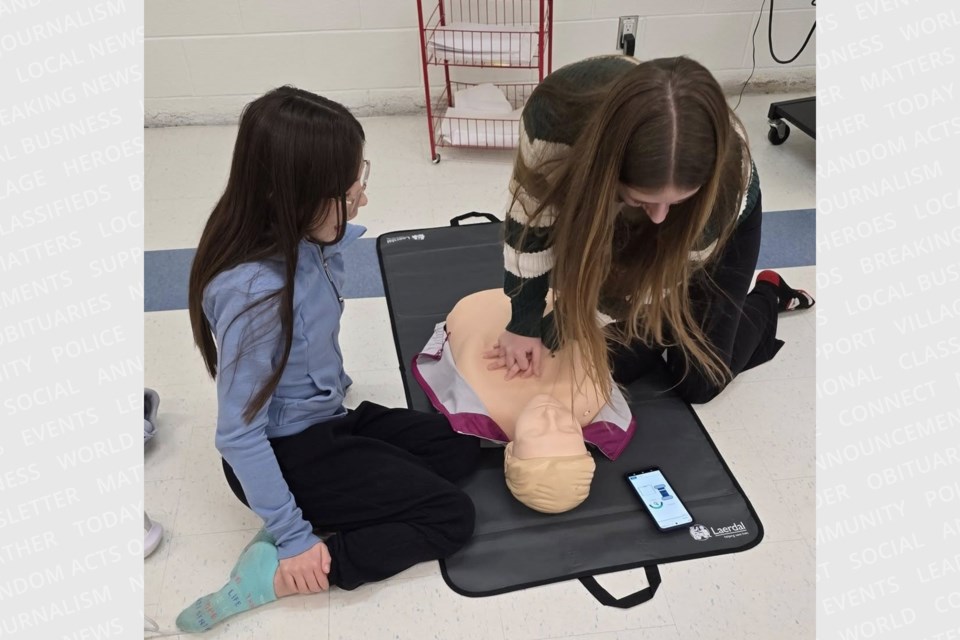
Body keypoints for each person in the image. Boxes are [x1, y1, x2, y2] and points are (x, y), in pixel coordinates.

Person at [178, 86, 481, 632]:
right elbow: (239, 434)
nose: (361, 199)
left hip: (326, 422)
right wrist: (295, 538)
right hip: (289, 450)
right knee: (450, 515)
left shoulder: (311, 242)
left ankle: (316, 509)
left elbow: (314, 336)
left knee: (458, 451)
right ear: (291, 199)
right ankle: (284, 571)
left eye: (359, 178)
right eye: (346, 193)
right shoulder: (255, 295)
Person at [486, 55, 815, 403]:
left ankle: (769, 293)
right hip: (611, 187)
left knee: (699, 382)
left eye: (674, 202)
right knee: (619, 362)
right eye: (644, 200)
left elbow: (638, 284)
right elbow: (530, 225)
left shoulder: (725, 184)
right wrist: (523, 322)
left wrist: (562, 326)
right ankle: (673, 316)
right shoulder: (552, 120)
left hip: (721, 230)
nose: (659, 217)